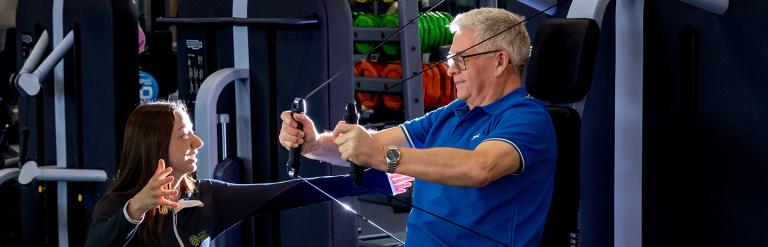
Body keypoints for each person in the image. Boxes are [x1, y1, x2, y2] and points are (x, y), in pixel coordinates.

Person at [279, 8, 556, 247]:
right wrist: (314, 143)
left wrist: (379, 157)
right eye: (451, 59)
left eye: (461, 59)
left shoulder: (527, 118)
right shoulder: (453, 112)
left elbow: (479, 167)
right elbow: (368, 145)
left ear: (500, 61)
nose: (450, 70)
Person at [85, 101, 412, 246]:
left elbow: (290, 192)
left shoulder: (207, 197)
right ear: (155, 146)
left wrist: (377, 178)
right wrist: (134, 211)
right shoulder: (116, 207)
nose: (198, 142)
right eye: (184, 136)